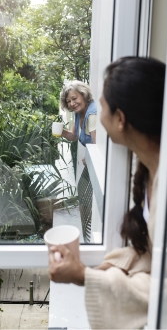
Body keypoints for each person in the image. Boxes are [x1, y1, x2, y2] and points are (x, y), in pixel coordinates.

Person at [48, 57, 167, 329]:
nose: (97, 107)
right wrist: (102, 269)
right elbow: (157, 259)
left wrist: (82, 274)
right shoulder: (153, 168)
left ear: (120, 120)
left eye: (103, 104)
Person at [59, 80, 96, 242]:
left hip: (98, 164)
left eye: (75, 98)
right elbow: (74, 136)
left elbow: (97, 145)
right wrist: (60, 131)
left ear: (84, 94)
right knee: (83, 195)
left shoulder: (92, 113)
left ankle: (90, 236)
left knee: (87, 198)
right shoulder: (78, 113)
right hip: (91, 161)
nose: (72, 103)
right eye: (68, 101)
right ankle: (87, 234)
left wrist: (89, 157)